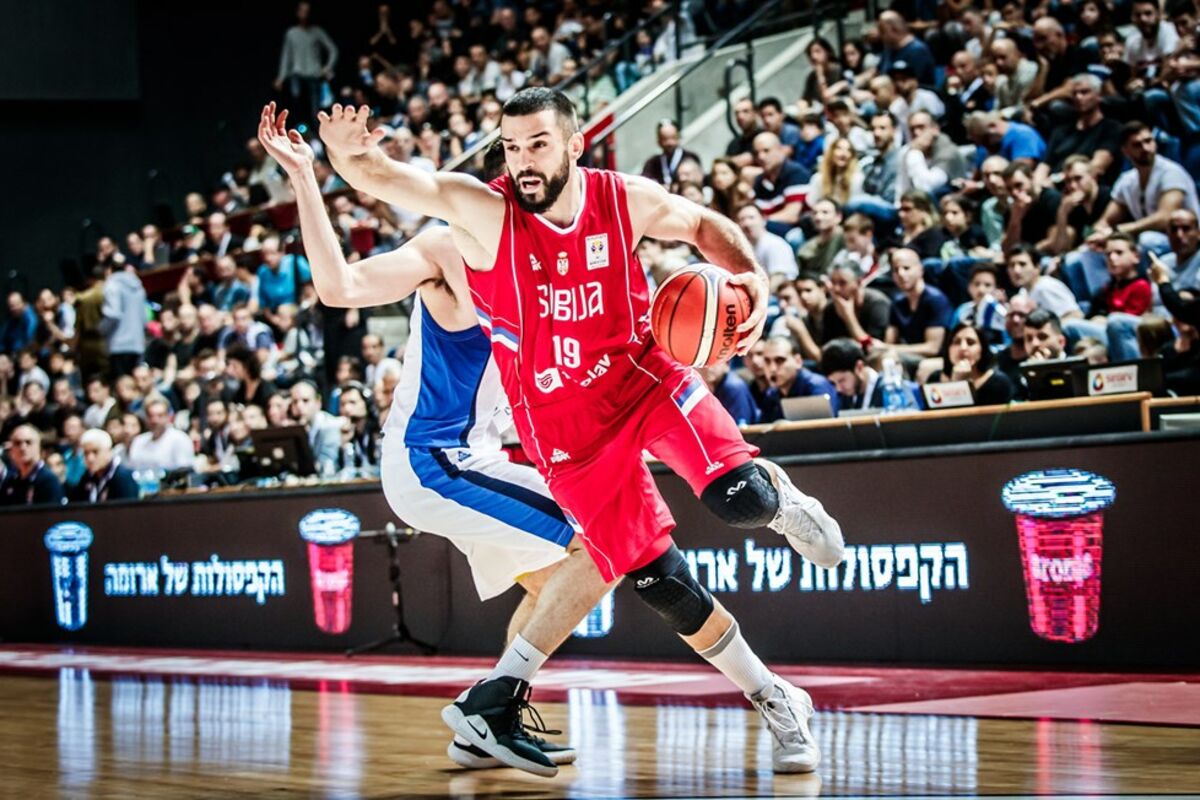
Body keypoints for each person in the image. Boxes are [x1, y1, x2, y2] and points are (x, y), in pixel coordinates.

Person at [309, 89, 843, 775]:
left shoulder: (620, 199)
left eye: (537, 145)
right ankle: (775, 697)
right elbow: (397, 184)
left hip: (641, 379)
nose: (523, 162)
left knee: (738, 498)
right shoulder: (482, 217)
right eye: (511, 148)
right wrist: (348, 158)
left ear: (573, 144)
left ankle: (782, 502)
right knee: (658, 583)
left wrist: (751, 277)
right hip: (563, 433)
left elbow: (699, 223)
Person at [884, 247, 952, 358]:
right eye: (896, 270)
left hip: (932, 360)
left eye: (906, 268)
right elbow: (889, 341)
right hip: (907, 355)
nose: (901, 273)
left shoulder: (936, 299)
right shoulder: (897, 302)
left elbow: (933, 348)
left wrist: (889, 349)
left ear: (920, 270)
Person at [926, 321, 1016, 405]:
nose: (963, 348)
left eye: (970, 342)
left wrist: (961, 384)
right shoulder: (935, 379)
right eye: (956, 342)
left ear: (982, 349)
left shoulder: (999, 384)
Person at [757, 336, 840, 420]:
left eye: (780, 360)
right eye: (767, 361)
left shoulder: (817, 387)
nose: (772, 368)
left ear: (798, 361)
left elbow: (825, 426)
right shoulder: (771, 395)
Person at [124, 397, 195, 473]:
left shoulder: (180, 439)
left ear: (169, 417)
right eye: (150, 415)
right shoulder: (138, 441)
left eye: (160, 415)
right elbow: (133, 470)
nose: (155, 420)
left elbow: (185, 472)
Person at [68, 428, 139, 503]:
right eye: (86, 453)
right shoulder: (87, 476)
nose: (90, 458)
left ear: (108, 452)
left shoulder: (123, 478)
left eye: (95, 452)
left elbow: (128, 509)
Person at [0, 425, 64, 506]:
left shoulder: (48, 481)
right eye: (17, 443)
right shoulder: (9, 482)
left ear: (39, 447)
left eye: (28, 442)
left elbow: (53, 513)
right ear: (11, 449)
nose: (23, 447)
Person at [641, 120, 700, 187]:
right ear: (658, 141)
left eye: (673, 138)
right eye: (665, 139)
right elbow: (645, 181)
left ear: (679, 137)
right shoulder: (652, 163)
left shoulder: (691, 157)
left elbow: (697, 181)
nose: (669, 143)